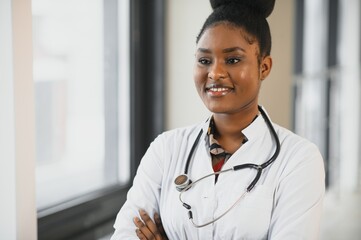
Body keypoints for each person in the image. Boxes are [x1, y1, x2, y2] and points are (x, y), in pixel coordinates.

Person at [111, 0, 325, 239]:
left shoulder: (299, 159)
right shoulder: (166, 148)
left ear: (263, 67)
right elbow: (126, 234)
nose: (215, 73)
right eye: (204, 61)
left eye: (233, 60)